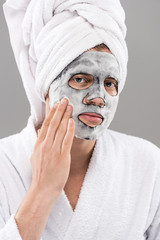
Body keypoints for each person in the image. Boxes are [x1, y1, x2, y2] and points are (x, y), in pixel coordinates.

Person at [0, 0, 160, 240]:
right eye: (81, 79)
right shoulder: (5, 167)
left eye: (109, 84)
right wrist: (42, 191)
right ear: (46, 88)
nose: (98, 98)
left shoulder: (147, 164)